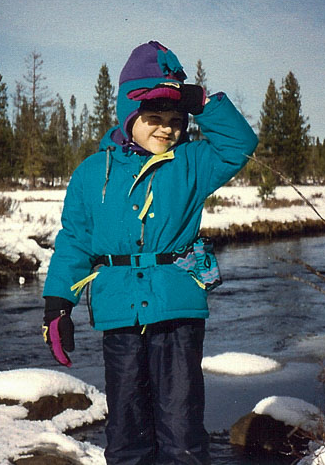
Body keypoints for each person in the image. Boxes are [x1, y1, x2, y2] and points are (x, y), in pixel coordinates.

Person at [41, 40, 258, 465]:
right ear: (128, 115)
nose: (166, 128)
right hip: (119, 314)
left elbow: (238, 144)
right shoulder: (91, 173)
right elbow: (74, 241)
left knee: (181, 432)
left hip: (178, 313)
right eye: (154, 117)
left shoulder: (193, 162)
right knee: (126, 433)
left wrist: (201, 100)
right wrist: (57, 305)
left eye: (175, 120)